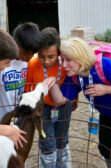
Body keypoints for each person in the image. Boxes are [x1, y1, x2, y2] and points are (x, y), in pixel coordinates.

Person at [49, 37, 111, 168]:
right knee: (106, 150)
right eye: (62, 60)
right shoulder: (74, 75)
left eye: (68, 60)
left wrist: (107, 89)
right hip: (109, 115)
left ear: (80, 57)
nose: (64, 65)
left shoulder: (106, 65)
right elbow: (60, 99)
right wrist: (50, 83)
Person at [25, 27, 73, 168]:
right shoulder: (33, 65)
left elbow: (73, 84)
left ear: (58, 52)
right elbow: (28, 90)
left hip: (64, 106)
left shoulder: (65, 64)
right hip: (43, 108)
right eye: (41, 56)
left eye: (51, 57)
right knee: (47, 142)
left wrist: (74, 99)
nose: (46, 61)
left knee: (62, 139)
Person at [0, 22, 41, 124]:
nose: (29, 58)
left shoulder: (30, 63)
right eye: (26, 53)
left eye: (32, 54)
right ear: (15, 45)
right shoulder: (0, 61)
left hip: (19, 118)